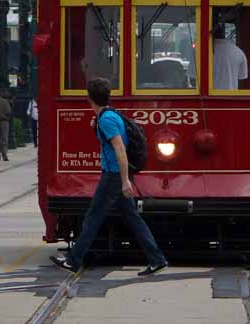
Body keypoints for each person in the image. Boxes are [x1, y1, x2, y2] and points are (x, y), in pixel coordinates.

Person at [51, 77, 168, 276]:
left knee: (93, 217)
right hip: (115, 175)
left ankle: (73, 260)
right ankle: (157, 259)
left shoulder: (106, 119)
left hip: (113, 176)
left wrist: (124, 181)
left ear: (89, 99)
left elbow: (120, 149)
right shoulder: (109, 115)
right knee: (132, 218)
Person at [211, 24, 248, 90]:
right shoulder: (239, 52)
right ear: (223, 34)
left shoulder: (202, 52)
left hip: (209, 97)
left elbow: (193, 77)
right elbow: (242, 77)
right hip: (231, 96)